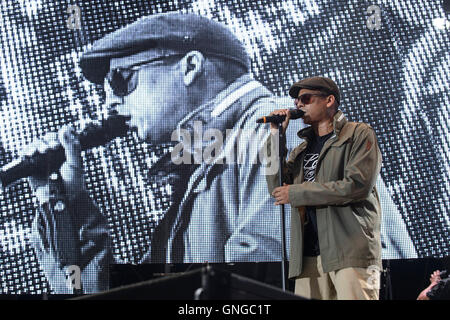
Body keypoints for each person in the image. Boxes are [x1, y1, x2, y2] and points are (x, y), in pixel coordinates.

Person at [25, 12, 286, 293]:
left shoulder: (282, 131)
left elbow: (259, 291)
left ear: (190, 67)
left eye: (121, 80)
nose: (109, 105)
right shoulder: (200, 170)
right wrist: (65, 204)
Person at [265, 76, 383, 300]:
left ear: (329, 100)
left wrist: (297, 193)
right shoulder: (301, 150)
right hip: (308, 256)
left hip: (348, 251)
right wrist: (275, 136)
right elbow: (277, 188)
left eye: (305, 98)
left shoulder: (357, 134)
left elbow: (356, 186)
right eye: (297, 102)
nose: (298, 105)